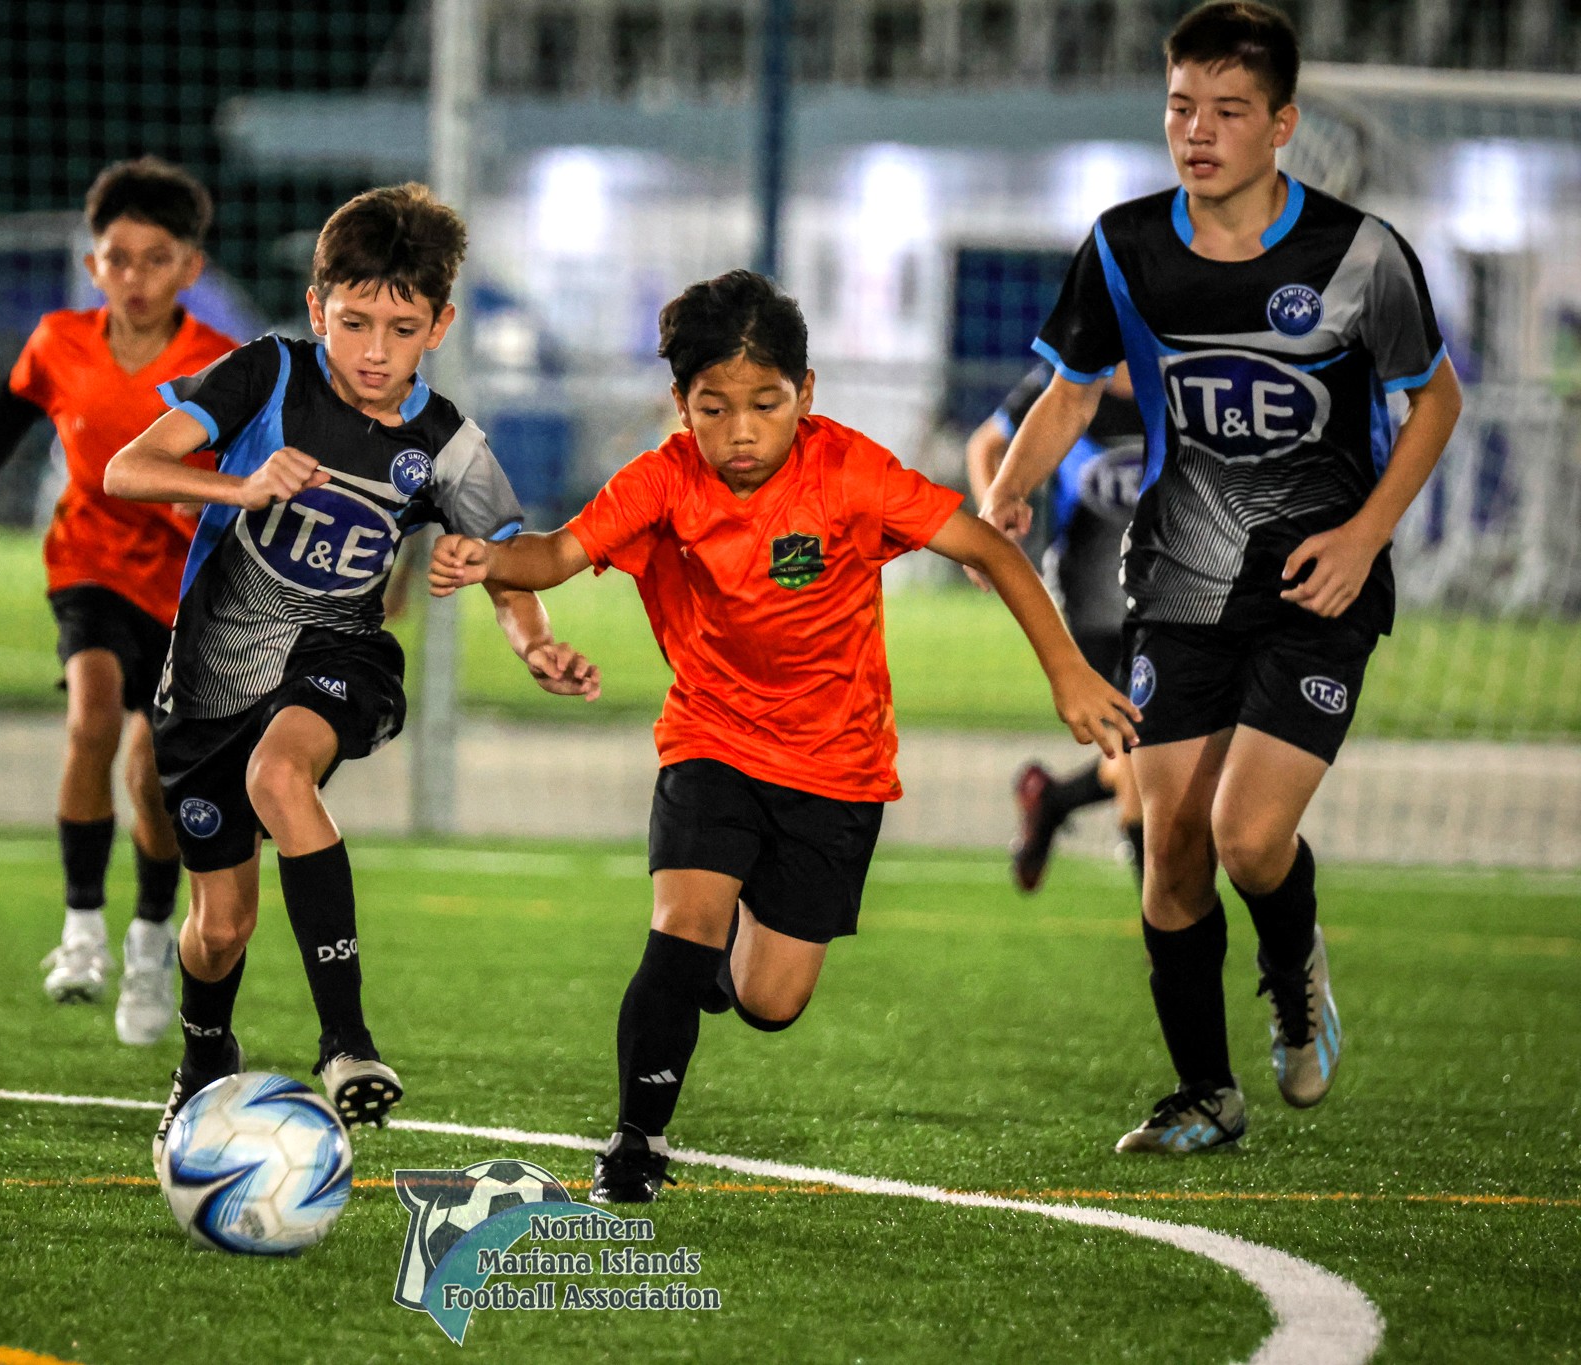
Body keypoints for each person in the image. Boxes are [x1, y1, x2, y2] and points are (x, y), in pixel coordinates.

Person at [428, 270, 1139, 1203]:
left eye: (766, 404)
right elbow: (556, 552)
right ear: (679, 405)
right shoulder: (663, 480)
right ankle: (635, 1140)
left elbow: (991, 548)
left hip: (837, 767)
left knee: (771, 1000)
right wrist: (490, 556)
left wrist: (1067, 671)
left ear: (807, 395)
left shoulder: (850, 471)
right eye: (713, 408)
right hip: (711, 738)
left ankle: (726, 959)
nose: (742, 430)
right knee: (679, 925)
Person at [979, 1, 1461, 1154]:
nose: (1196, 131)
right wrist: (1005, 494)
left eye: (1227, 110)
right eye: (1179, 105)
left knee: (1248, 840)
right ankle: (1205, 1093)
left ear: (1281, 124)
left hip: (1314, 584)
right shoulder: (1121, 246)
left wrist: (1364, 538)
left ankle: (1293, 976)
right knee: (1167, 851)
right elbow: (1070, 390)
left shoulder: (1358, 256)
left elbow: (1433, 400)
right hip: (1180, 581)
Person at [105, 183, 599, 1151]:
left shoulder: (444, 444)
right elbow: (128, 469)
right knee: (218, 930)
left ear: (440, 326)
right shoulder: (267, 379)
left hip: (341, 655)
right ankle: (205, 1059)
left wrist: (530, 638)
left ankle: (347, 1043)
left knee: (279, 773)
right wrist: (238, 484)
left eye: (401, 328)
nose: (374, 350)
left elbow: (503, 555)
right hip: (209, 679)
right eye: (353, 321)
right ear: (314, 308)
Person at [0, 157, 238, 1045]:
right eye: (118, 258)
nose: (135, 277)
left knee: (151, 774)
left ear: (190, 269)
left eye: (156, 258)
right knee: (92, 720)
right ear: (93, 264)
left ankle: (147, 941)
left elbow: (249, 476)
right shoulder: (58, 340)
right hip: (88, 564)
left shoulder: (220, 365)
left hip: (184, 591)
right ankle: (82, 931)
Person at [965, 363, 1146, 889]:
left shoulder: (1178, 360)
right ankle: (1167, 936)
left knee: (1153, 753)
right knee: (1143, 756)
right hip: (1092, 600)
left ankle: (1052, 799)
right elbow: (985, 445)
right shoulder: (1068, 374)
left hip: (1173, 592)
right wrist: (991, 528)